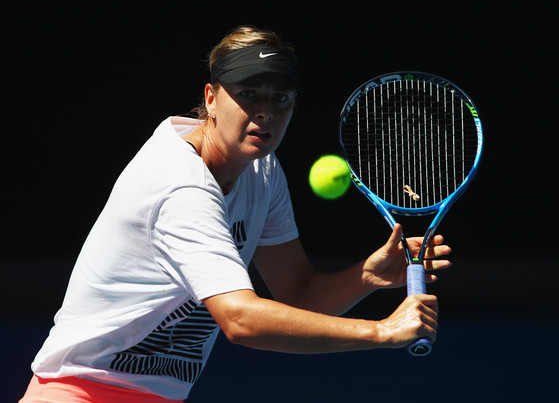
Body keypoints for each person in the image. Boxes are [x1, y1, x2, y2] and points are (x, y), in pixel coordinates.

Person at [20, 25, 451, 402]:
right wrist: (382, 331)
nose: (265, 111)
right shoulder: (181, 184)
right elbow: (242, 320)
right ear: (211, 98)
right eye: (247, 94)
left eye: (280, 97)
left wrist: (366, 277)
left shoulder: (261, 171)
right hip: (78, 394)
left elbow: (297, 294)